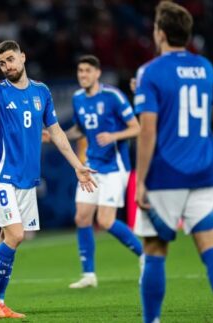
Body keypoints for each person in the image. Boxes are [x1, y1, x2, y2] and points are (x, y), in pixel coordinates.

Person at [0, 40, 96, 319]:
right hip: (2, 175)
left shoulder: (41, 92)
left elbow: (57, 133)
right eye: (2, 63)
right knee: (16, 234)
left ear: (23, 57)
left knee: (10, 238)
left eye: (11, 59)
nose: (7, 66)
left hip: (27, 178)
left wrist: (76, 166)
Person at [133, 2, 213, 323]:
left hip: (165, 174)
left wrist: (142, 179)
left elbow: (148, 130)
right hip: (205, 170)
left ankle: (152, 320)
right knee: (209, 245)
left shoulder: (151, 71)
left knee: (155, 250)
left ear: (160, 32)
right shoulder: (206, 67)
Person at [64, 55, 142, 288]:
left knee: (106, 221)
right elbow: (80, 129)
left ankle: (145, 254)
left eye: (87, 71)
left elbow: (136, 128)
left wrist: (113, 136)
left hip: (115, 167)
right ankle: (89, 275)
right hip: (91, 166)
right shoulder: (78, 98)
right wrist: (56, 137)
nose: (83, 75)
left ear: (97, 73)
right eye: (80, 71)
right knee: (82, 217)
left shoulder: (113, 96)